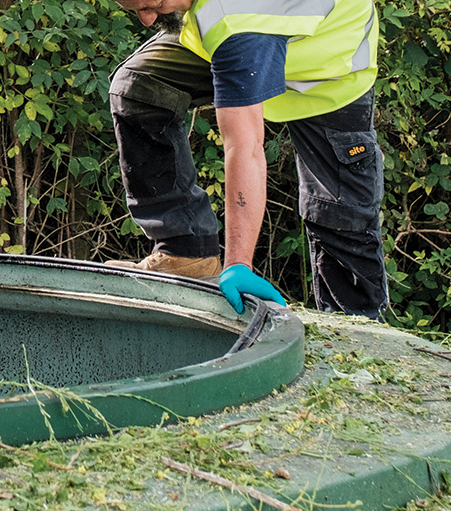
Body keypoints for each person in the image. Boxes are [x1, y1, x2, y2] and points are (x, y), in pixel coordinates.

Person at [103, 0, 389, 320]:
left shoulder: (237, 21)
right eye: (136, 9)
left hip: (325, 69)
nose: (147, 19)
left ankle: (356, 327)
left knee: (337, 209)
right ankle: (186, 252)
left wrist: (239, 263)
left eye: (152, 4)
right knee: (140, 87)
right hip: (249, 34)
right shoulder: (225, 23)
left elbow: (245, 146)